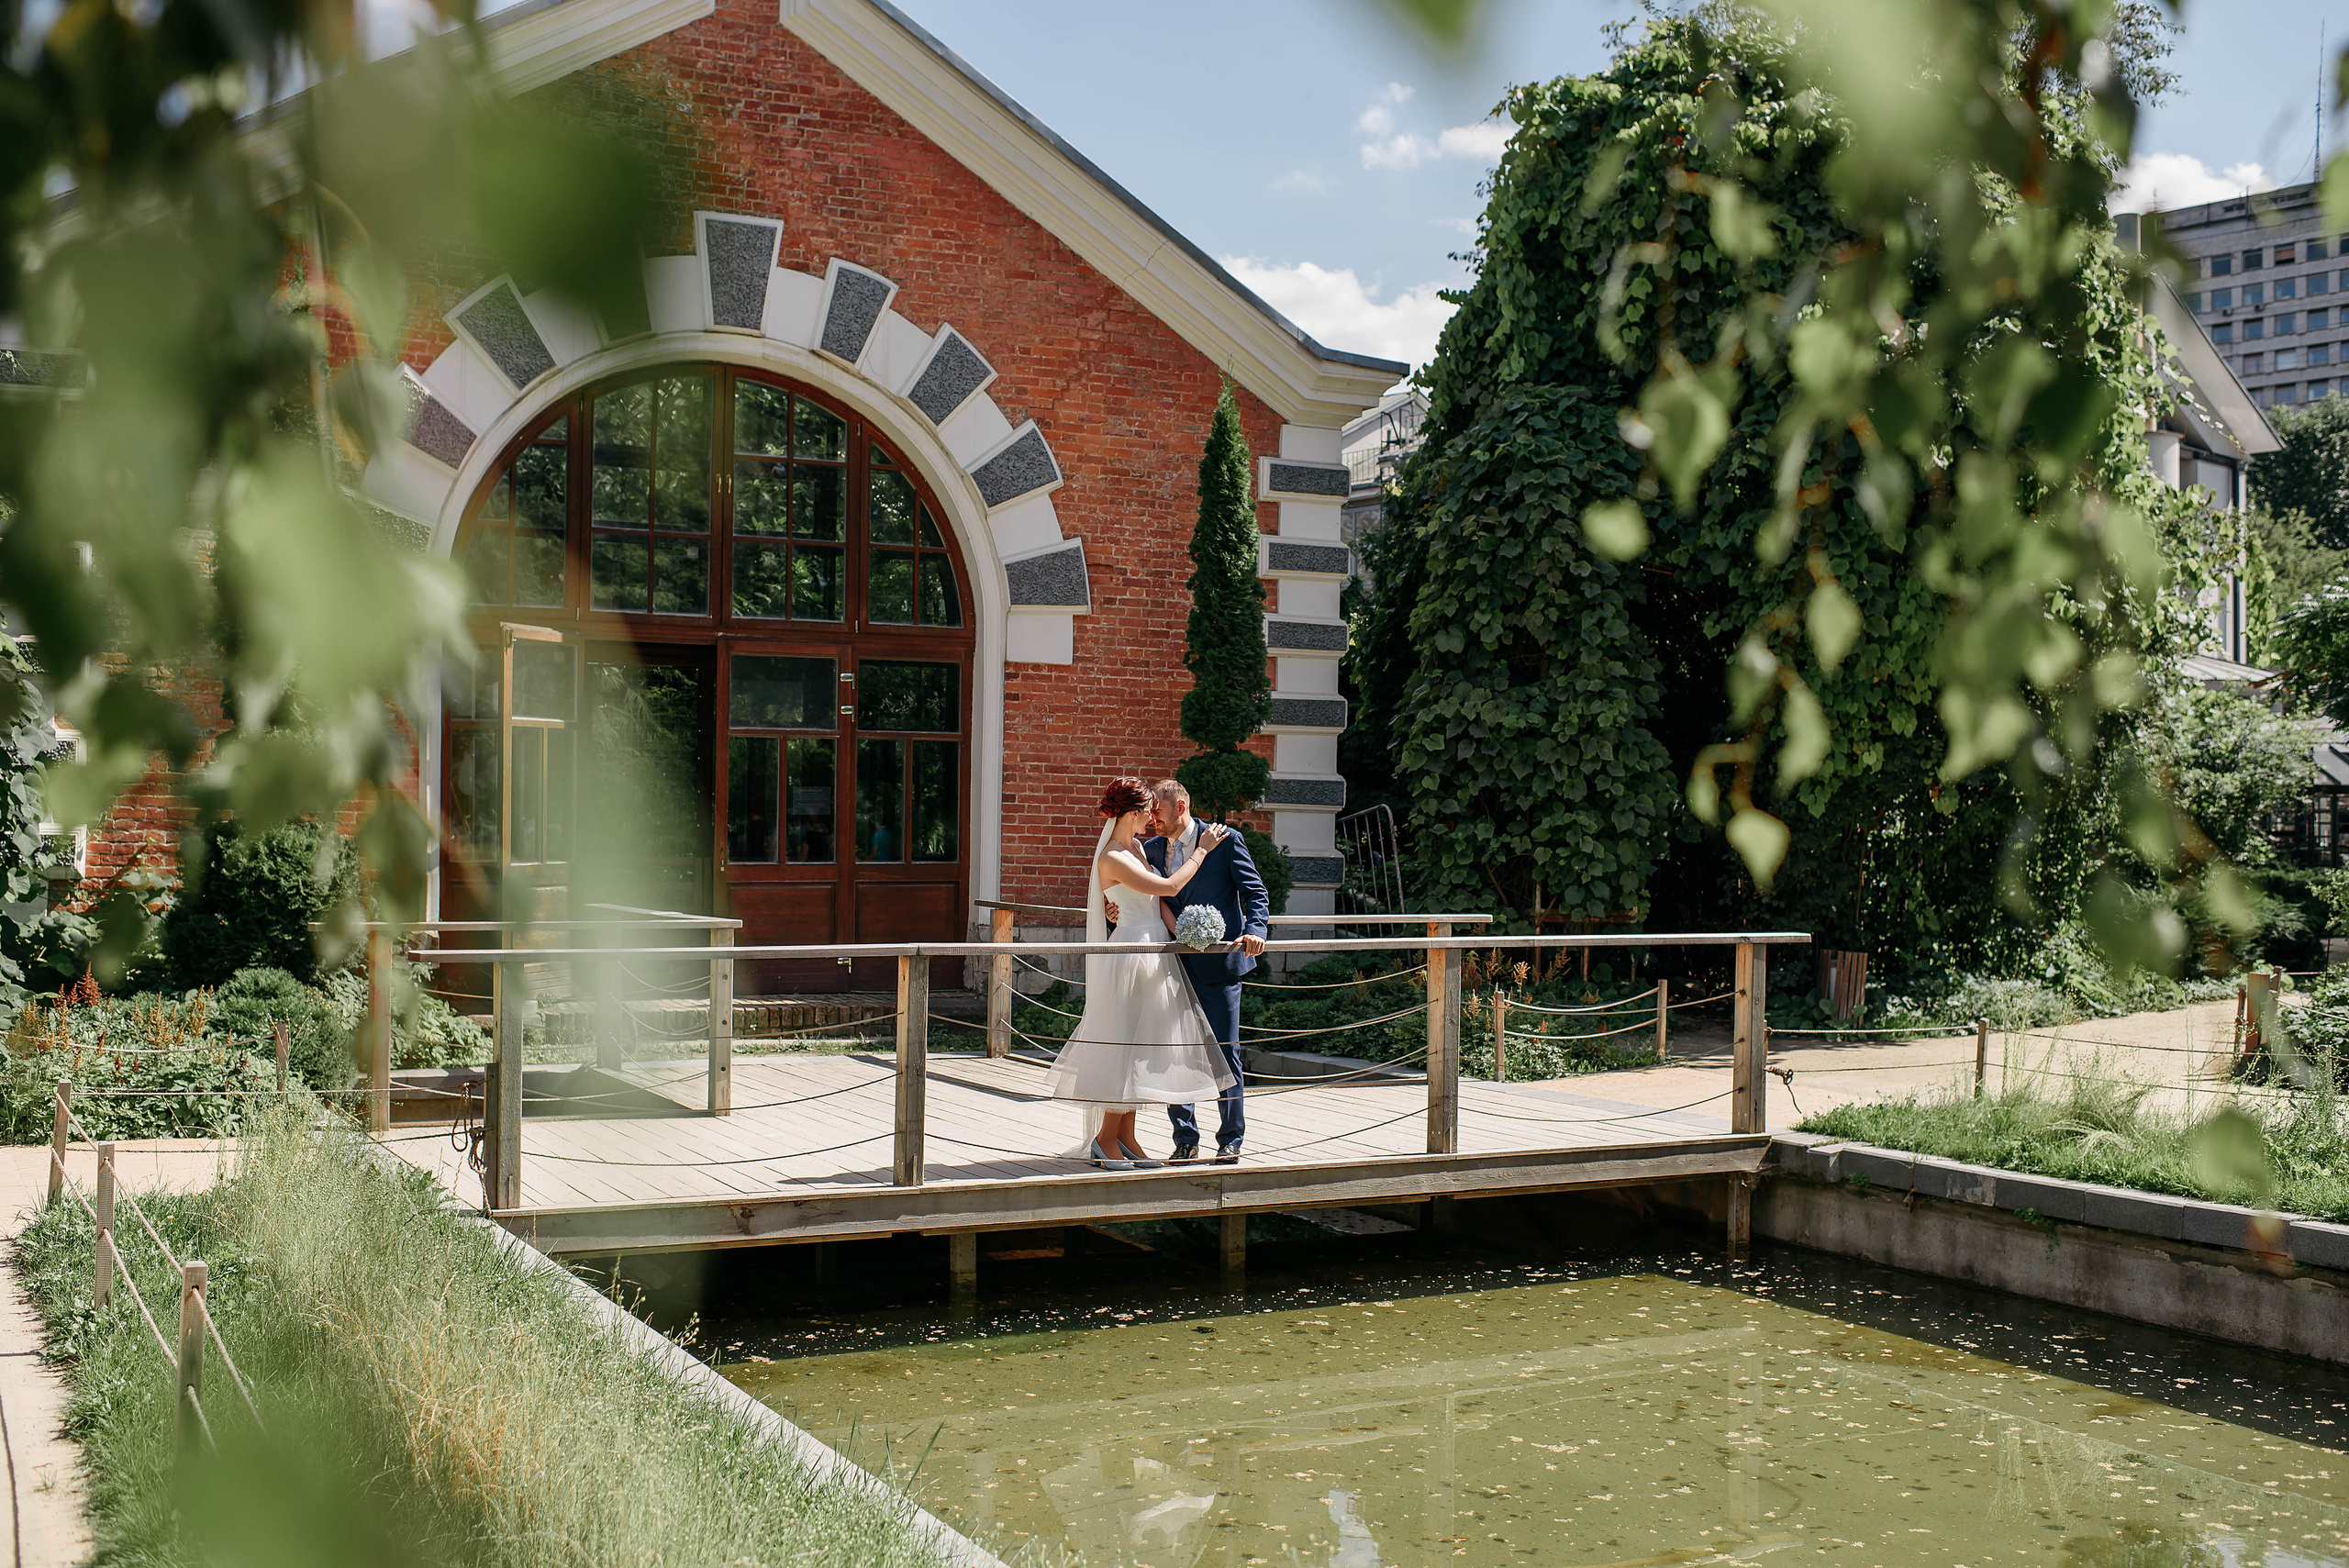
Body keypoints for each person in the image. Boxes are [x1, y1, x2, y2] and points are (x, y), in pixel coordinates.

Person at [1044, 776, 1239, 1169]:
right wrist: (1200, 852)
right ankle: (1104, 1140)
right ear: (1132, 813)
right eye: (1147, 811)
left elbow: (1152, 903)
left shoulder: (1135, 846)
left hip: (1153, 948)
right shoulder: (1113, 856)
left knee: (1144, 1048)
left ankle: (1126, 1137)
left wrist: (1183, 931)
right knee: (1126, 1047)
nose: (1152, 818)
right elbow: (1166, 887)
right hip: (1132, 955)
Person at [1143, 778, 1269, 1163]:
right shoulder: (1148, 849)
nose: (1152, 820)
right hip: (1170, 965)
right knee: (1174, 1052)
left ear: (1180, 807)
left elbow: (1254, 893)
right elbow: (1145, 900)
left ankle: (1231, 1136)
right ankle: (1184, 1137)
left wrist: (1255, 930)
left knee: (1225, 1052)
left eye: (1157, 811)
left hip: (1219, 965)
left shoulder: (1225, 840)